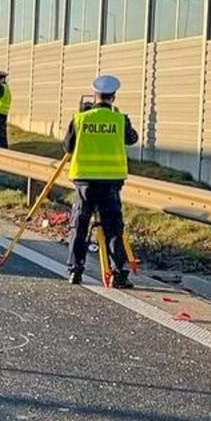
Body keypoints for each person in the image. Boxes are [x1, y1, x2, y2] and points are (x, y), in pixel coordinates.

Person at [63, 74, 138, 288]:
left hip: (85, 182)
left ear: (95, 95)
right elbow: (132, 139)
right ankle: (120, 274)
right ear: (113, 97)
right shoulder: (120, 120)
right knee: (113, 228)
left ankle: (75, 271)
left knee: (80, 225)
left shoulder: (80, 119)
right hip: (111, 183)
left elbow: (67, 147)